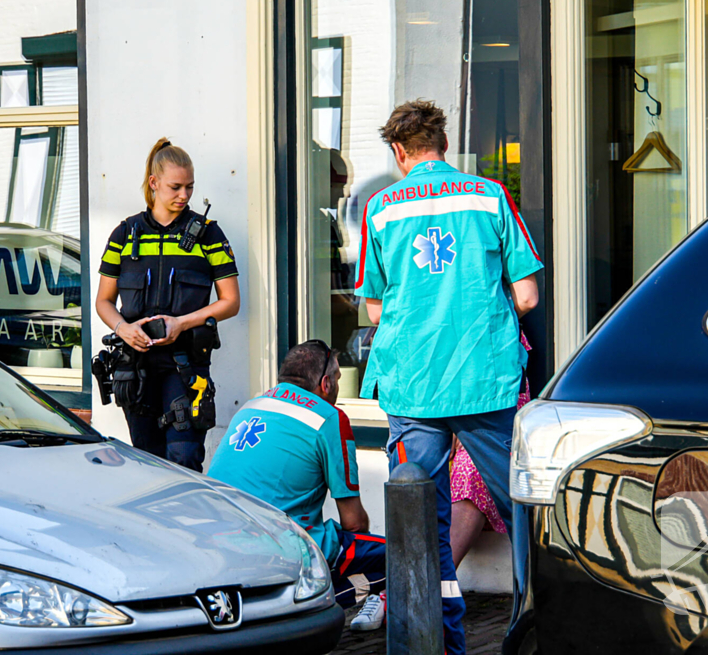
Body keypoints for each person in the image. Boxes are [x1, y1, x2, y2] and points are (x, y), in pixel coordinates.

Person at [355, 99, 543, 654]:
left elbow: (373, 311)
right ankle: (535, 626)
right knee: (522, 507)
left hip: (413, 385)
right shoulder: (488, 196)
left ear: (398, 151)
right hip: (485, 378)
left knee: (421, 519)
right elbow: (527, 294)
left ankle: (439, 642)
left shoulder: (381, 207)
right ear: (444, 142)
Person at [207, 341, 387, 630]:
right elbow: (353, 523)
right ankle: (310, 613)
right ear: (326, 383)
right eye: (339, 378)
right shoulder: (329, 418)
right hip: (285, 549)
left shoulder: (252, 406)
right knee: (400, 556)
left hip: (221, 542)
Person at [95, 138, 240, 472]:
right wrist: (123, 328)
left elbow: (231, 302)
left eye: (190, 187)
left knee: (185, 459)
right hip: (136, 367)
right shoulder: (125, 234)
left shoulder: (208, 235)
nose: (184, 195)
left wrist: (182, 323)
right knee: (146, 464)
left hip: (185, 365)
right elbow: (103, 301)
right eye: (176, 187)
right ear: (154, 183)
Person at [449, 331, 531, 567]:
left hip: (495, 410)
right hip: (449, 408)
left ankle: (435, 583)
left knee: (473, 472)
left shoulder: (498, 328)